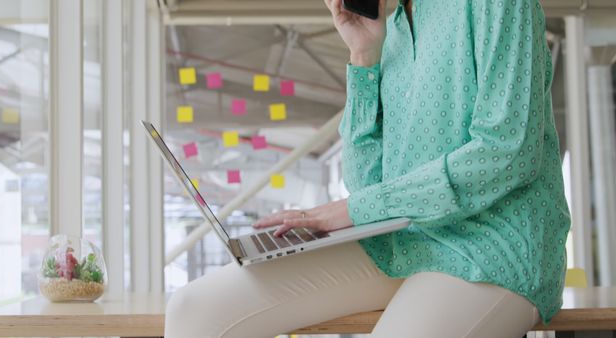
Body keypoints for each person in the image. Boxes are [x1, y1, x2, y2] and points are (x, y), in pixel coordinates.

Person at [165, 0, 570, 336]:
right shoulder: (389, 27)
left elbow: (508, 151)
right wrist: (363, 56)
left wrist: (349, 211)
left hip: (491, 248)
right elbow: (365, 183)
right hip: (397, 244)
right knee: (193, 310)